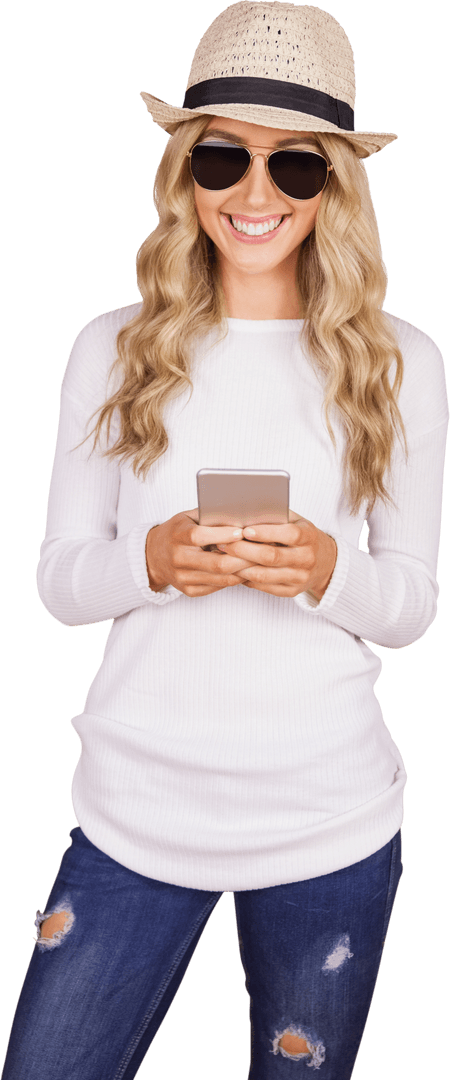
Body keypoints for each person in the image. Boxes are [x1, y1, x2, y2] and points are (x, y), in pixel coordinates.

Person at [2, 3, 448, 1078]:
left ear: (336, 184)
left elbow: (411, 606)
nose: (255, 197)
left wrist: (326, 571)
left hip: (328, 819)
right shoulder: (110, 348)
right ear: (183, 172)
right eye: (222, 158)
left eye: (295, 169)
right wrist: (150, 564)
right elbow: (61, 584)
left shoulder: (400, 363)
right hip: (131, 811)